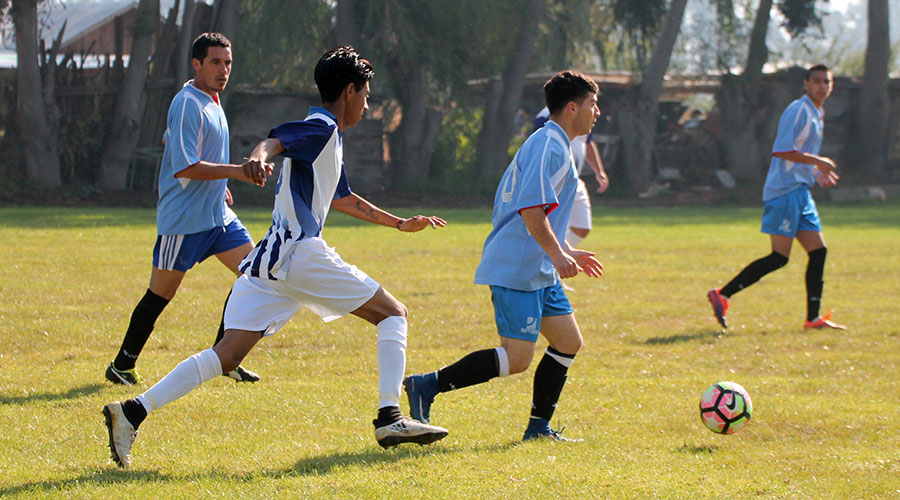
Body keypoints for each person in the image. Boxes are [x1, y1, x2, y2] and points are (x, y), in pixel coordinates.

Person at [103, 46, 450, 468]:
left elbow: (343, 198)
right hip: (300, 253)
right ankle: (390, 418)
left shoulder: (329, 139)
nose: (366, 103)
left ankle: (131, 411)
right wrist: (257, 159)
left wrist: (399, 223)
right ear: (348, 91)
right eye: (365, 94)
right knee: (394, 313)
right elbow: (275, 140)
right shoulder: (319, 128)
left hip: (270, 261)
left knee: (226, 356)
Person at [403, 71, 604, 442]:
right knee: (517, 358)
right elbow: (530, 211)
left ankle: (538, 428)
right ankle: (426, 385)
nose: (598, 112)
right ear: (572, 107)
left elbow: (540, 213)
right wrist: (558, 255)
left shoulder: (556, 143)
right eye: (593, 104)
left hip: (539, 267)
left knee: (568, 343)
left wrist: (566, 251)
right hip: (518, 266)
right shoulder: (549, 145)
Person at [105, 33, 270, 387]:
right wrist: (237, 173)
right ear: (196, 64)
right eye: (215, 62)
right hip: (184, 221)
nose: (223, 70)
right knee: (161, 294)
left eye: (227, 63)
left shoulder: (211, 99)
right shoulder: (187, 103)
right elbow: (185, 166)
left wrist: (221, 185)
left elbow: (190, 145)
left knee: (255, 275)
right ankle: (122, 365)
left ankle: (224, 357)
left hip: (218, 219)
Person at [707, 64, 845, 330]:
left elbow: (800, 157)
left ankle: (813, 319)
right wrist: (820, 161)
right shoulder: (799, 110)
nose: (822, 86)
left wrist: (817, 174)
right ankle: (722, 294)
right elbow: (782, 150)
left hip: (800, 192)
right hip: (785, 191)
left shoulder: (818, 112)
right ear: (805, 84)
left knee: (819, 252)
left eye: (826, 82)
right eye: (816, 81)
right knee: (779, 257)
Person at [533, 105, 609, 247]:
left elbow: (588, 142)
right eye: (592, 102)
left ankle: (553, 257)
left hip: (575, 180)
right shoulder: (547, 115)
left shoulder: (584, 114)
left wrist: (599, 171)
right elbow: (538, 145)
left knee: (582, 227)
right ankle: (546, 259)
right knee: (549, 228)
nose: (597, 110)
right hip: (555, 181)